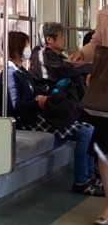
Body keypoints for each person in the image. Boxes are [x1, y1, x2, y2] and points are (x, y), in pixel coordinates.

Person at [6, 32, 101, 196]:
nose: (29, 49)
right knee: (85, 132)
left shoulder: (23, 72)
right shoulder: (10, 73)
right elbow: (16, 106)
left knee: (90, 127)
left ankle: (91, 176)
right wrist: (37, 101)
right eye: (26, 45)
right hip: (30, 120)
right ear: (17, 48)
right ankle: (81, 181)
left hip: (41, 114)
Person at [71, 6, 108, 224]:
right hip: (105, 90)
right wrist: (83, 53)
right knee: (104, 149)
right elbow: (96, 43)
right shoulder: (105, 13)